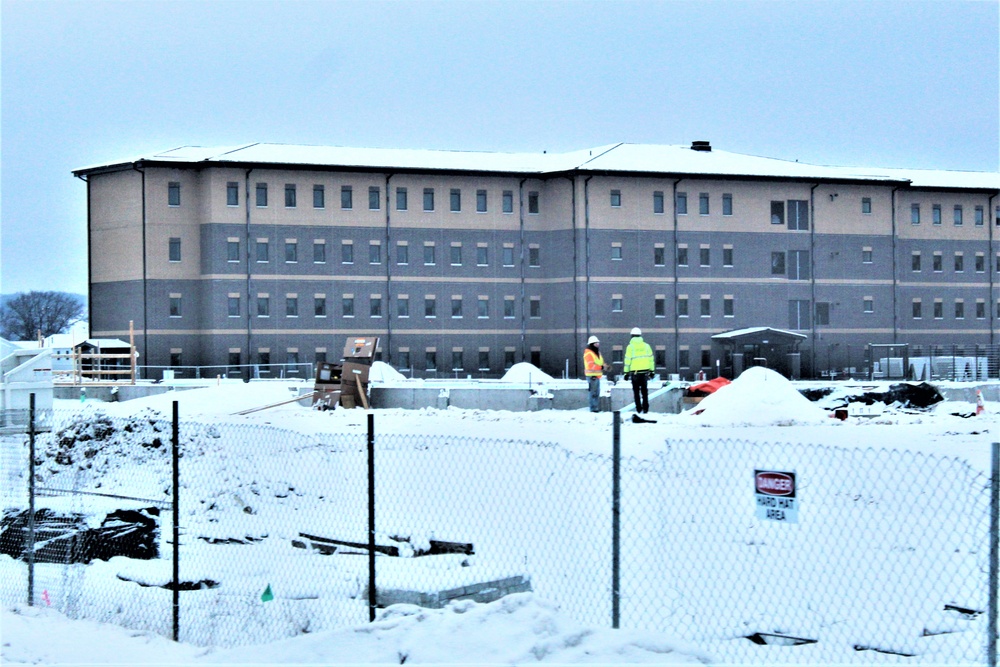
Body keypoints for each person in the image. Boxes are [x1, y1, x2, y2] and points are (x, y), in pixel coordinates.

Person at [623, 327, 655, 414]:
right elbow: (651, 359)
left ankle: (639, 409)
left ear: (632, 336)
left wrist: (626, 373)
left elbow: (627, 361)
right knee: (645, 392)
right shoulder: (646, 346)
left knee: (636, 392)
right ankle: (646, 409)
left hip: (635, 373)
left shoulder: (630, 347)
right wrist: (652, 371)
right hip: (645, 373)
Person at [583, 335, 609, 413]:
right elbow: (591, 365)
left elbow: (599, 362)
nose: (598, 344)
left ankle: (595, 407)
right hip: (592, 376)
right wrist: (601, 367)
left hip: (596, 375)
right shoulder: (589, 353)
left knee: (596, 393)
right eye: (596, 343)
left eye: (598, 343)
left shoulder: (596, 352)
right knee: (593, 393)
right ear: (591, 344)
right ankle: (593, 408)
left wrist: (605, 366)